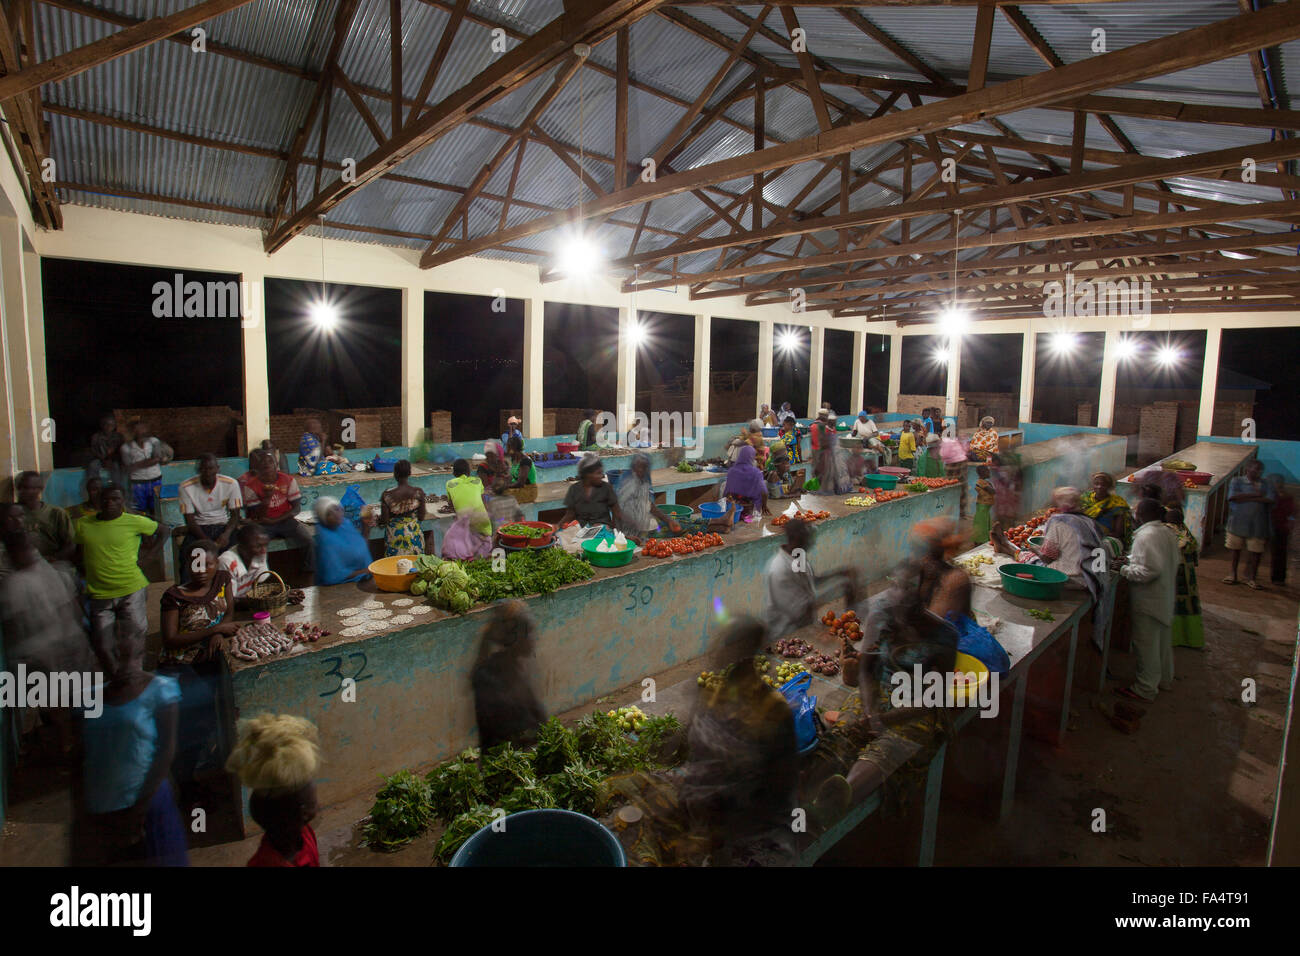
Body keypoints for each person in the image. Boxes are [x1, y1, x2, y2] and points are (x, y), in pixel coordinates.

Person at [678, 616, 797, 866]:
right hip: (709, 816)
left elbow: (779, 787)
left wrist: (718, 828)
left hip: (750, 826)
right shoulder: (711, 696)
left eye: (725, 645)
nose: (715, 652)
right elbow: (694, 757)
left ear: (742, 654)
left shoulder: (771, 710)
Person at [76, 628, 187, 866]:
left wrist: (139, 810)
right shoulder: (88, 699)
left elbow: (166, 751)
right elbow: (81, 758)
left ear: (140, 656)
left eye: (130, 657)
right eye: (114, 656)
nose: (123, 666)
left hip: (147, 802)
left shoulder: (161, 689)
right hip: (104, 809)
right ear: (100, 658)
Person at [0, 530, 96, 758]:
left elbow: (13, 625)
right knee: (65, 699)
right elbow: (72, 606)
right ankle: (72, 741)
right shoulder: (43, 573)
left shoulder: (21, 582)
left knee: (60, 700)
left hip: (48, 648)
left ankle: (71, 741)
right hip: (55, 646)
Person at [75, 485, 168, 676]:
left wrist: (149, 557)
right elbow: (78, 552)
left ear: (122, 501)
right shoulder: (83, 524)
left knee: (134, 637)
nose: (110, 503)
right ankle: (116, 677)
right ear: (98, 502)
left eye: (115, 499)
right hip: (100, 593)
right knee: (103, 644)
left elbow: (164, 530)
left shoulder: (133, 521)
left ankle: (136, 675)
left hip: (131, 589)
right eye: (106, 499)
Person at [225, 714, 322, 868]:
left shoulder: (304, 835)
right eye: (314, 797)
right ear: (304, 812)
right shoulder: (264, 863)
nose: (319, 801)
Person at [1118, 499, 1180, 702]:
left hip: (1149, 600)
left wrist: (1123, 569)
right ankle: (1164, 680)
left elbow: (1149, 570)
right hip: (1164, 596)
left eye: (1135, 512)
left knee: (1146, 646)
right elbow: (1157, 561)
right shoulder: (1166, 532)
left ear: (1141, 514)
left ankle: (1145, 688)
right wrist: (1129, 561)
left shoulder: (1146, 535)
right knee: (1161, 643)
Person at [760, 518, 856, 639]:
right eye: (806, 540)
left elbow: (811, 581)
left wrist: (838, 574)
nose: (810, 543)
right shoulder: (779, 570)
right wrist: (839, 589)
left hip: (804, 625)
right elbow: (800, 609)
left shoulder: (798, 555)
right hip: (785, 633)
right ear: (795, 540)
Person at [471, 602, 546, 751]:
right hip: (507, 763)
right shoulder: (490, 677)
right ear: (514, 639)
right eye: (529, 632)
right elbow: (507, 738)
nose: (534, 639)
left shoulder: (517, 666)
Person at [159, 540, 237, 667]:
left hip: (214, 655)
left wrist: (218, 633)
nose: (201, 571)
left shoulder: (222, 580)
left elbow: (229, 612)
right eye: (196, 565)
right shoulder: (174, 596)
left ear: (217, 563)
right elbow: (170, 640)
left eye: (207, 564)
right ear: (187, 566)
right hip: (182, 663)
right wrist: (215, 629)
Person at [240, 448, 315, 573]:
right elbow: (258, 515)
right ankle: (258, 576)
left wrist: (275, 520)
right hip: (262, 523)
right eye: (263, 466)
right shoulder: (251, 486)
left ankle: (309, 572)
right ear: (258, 470)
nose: (267, 467)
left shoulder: (288, 480)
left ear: (276, 466)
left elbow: (296, 508)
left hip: (285, 520)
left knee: (308, 541)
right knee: (255, 546)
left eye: (270, 463)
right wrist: (267, 497)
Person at [177, 453, 242, 580]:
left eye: (211, 468)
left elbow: (235, 516)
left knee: (237, 556)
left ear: (217, 469)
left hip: (224, 527)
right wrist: (207, 541)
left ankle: (235, 589)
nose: (207, 472)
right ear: (198, 470)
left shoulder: (231, 484)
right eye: (203, 469)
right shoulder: (186, 487)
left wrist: (226, 534)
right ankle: (190, 593)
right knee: (189, 559)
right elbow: (190, 520)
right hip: (199, 529)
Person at [1224, 459, 1273, 589]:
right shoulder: (1237, 481)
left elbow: (1269, 499)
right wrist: (1256, 495)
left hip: (1258, 524)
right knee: (1235, 549)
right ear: (1248, 469)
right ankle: (1232, 573)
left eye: (1260, 470)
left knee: (1256, 551)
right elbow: (1233, 497)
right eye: (1256, 469)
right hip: (1238, 522)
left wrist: (1245, 497)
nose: (1258, 472)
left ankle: (1251, 577)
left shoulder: (1266, 484)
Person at [1163, 507, 1204, 649]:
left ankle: (1174, 638)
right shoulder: (1186, 533)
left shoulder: (1167, 530)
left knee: (1174, 606)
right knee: (1189, 609)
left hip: (1176, 576)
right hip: (1189, 579)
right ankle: (1192, 639)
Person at [616, 452, 682, 538]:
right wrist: (635, 524)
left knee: (662, 529)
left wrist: (669, 520)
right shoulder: (626, 482)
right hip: (626, 530)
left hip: (642, 525)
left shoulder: (645, 480)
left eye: (644, 467)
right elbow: (617, 511)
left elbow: (650, 505)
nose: (640, 470)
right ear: (633, 467)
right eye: (638, 466)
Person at [16, 470, 75, 564]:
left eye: (32, 488)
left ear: (41, 489)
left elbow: (70, 544)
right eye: (24, 488)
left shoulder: (56, 513)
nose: (28, 492)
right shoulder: (13, 513)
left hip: (52, 565)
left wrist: (54, 558)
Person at [313, 496, 373, 586]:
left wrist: (366, 527)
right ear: (323, 518)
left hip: (362, 578)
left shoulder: (345, 524)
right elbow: (334, 576)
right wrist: (367, 571)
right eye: (329, 514)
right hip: (340, 587)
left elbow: (360, 549)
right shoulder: (325, 538)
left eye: (337, 509)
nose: (336, 514)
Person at [559, 455, 627, 532]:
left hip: (603, 528)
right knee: (561, 537)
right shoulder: (574, 489)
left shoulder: (606, 488)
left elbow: (617, 513)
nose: (602, 476)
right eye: (598, 473)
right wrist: (557, 527)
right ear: (587, 475)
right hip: (581, 528)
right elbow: (570, 514)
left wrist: (616, 532)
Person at [441, 461, 492, 561]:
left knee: (457, 549)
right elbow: (483, 501)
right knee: (483, 558)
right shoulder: (477, 481)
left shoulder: (450, 484)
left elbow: (451, 504)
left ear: (454, 473)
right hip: (483, 523)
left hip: (466, 526)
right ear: (469, 472)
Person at [379, 459, 427, 556]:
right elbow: (421, 516)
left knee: (394, 567)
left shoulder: (387, 495)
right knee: (415, 566)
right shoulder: (418, 492)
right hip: (413, 535)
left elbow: (384, 520)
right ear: (409, 473)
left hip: (395, 536)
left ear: (395, 474)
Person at [120, 419, 167, 516]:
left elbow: (158, 458)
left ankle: (156, 528)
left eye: (144, 428)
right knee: (140, 510)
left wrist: (138, 464)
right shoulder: (125, 448)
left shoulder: (154, 441)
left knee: (156, 508)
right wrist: (151, 461)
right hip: (138, 482)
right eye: (139, 430)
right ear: (133, 432)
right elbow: (129, 467)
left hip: (155, 479)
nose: (143, 431)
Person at [219, 522, 270, 601]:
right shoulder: (226, 562)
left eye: (266, 545)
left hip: (247, 601)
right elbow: (228, 601)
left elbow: (260, 586)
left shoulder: (260, 554)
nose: (264, 551)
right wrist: (263, 600)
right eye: (258, 546)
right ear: (242, 546)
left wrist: (283, 595)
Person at [1081, 472, 1133, 547]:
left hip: (1107, 538)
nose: (1099, 487)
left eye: (1103, 485)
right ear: (1093, 485)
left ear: (1109, 486)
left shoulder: (1117, 503)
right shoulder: (1085, 499)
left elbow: (1118, 533)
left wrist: (1097, 534)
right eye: (1096, 484)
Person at [724, 444, 770, 520]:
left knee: (723, 485)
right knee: (763, 484)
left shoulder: (732, 471)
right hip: (749, 507)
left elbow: (726, 492)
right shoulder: (756, 472)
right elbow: (764, 492)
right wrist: (764, 506)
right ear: (752, 458)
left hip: (734, 507)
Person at [88, 414, 128, 491]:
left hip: (114, 460)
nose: (109, 427)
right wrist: (103, 460)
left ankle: (117, 489)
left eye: (111, 425)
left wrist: (111, 459)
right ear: (102, 425)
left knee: (117, 467)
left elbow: (121, 451)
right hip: (100, 459)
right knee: (92, 465)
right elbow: (93, 451)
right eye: (106, 424)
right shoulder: (96, 436)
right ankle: (95, 488)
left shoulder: (119, 437)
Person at [937, 429, 968, 513]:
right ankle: (962, 511)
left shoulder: (946, 441)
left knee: (950, 485)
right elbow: (966, 449)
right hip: (963, 462)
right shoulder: (957, 440)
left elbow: (944, 454)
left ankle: (950, 508)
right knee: (962, 486)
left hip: (953, 464)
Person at [1271, 474, 1293, 586]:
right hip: (1269, 525)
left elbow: (1292, 513)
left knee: (1280, 552)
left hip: (1280, 527)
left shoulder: (1285, 497)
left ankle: (1278, 577)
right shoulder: (1270, 495)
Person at [972, 465, 994, 546]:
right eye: (987, 471)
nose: (989, 472)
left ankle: (983, 540)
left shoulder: (985, 482)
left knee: (985, 523)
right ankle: (979, 541)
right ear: (983, 473)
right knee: (981, 524)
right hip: (982, 507)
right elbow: (992, 491)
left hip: (985, 507)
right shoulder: (981, 482)